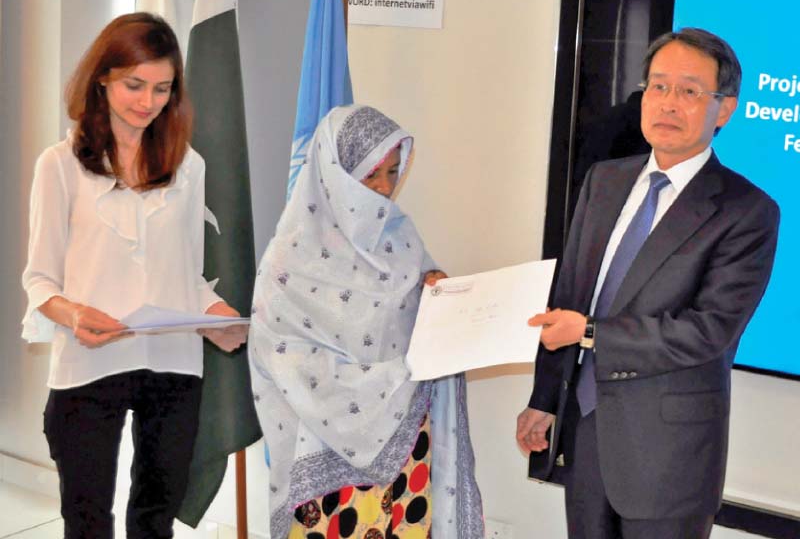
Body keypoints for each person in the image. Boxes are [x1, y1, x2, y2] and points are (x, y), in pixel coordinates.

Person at [516, 28, 779, 539]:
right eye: (658, 86)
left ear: (724, 110)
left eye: (689, 91)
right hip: (586, 431)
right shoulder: (605, 180)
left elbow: (708, 331)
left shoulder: (747, 211)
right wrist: (544, 398)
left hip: (670, 456)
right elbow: (569, 294)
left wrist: (589, 332)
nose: (668, 103)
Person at [21, 12, 241, 539]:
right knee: (88, 518)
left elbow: (188, 274)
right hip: (89, 363)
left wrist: (215, 314)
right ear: (103, 78)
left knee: (155, 520)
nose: (148, 102)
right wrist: (75, 314)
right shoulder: (59, 165)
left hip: (173, 362)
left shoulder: (189, 166)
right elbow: (39, 281)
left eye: (162, 89)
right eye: (134, 85)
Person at [248, 105, 484, 539]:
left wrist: (436, 293)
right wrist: (389, 383)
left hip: (406, 445)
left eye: (393, 172)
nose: (383, 188)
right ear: (334, 176)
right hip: (326, 464)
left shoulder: (399, 234)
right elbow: (285, 361)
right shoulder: (289, 261)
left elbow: (417, 318)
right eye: (369, 175)